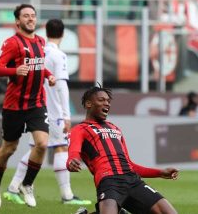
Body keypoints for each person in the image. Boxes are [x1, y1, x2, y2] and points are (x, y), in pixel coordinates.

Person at [4, 19, 91, 206]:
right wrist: (66, 114)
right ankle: (66, 196)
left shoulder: (39, 52)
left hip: (35, 107)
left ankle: (13, 188)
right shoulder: (58, 56)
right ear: (63, 34)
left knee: (37, 148)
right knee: (61, 147)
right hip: (53, 109)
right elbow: (61, 85)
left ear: (45, 32)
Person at [67, 86, 179, 214]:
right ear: (88, 104)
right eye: (101, 100)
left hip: (132, 180)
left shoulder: (115, 128)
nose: (106, 103)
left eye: (108, 101)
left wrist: (160, 172)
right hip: (109, 181)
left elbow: (129, 164)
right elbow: (73, 153)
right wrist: (71, 161)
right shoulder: (80, 129)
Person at [0, 4, 57, 209]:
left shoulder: (40, 41)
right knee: (9, 149)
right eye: (26, 16)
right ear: (17, 21)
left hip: (36, 103)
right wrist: (14, 71)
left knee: (42, 143)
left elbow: (38, 66)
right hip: (14, 106)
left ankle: (27, 184)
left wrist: (48, 75)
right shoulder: (12, 43)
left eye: (33, 16)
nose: (30, 19)